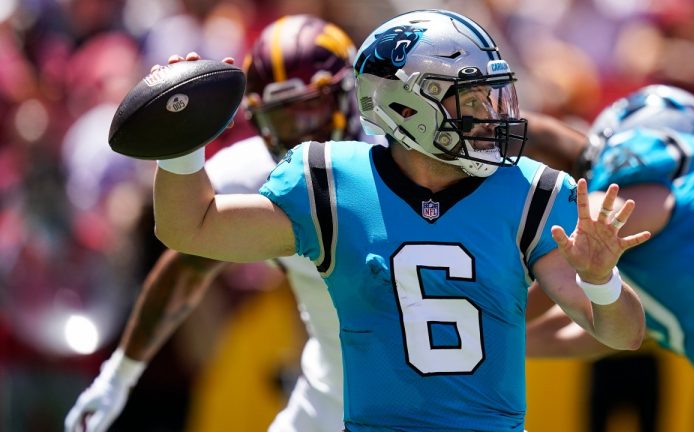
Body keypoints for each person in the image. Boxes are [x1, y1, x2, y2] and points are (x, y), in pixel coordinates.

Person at [148, 9, 649, 431]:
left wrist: (602, 281)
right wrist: (181, 144)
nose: (489, 114)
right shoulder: (334, 182)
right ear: (405, 107)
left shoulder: (528, 191)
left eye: (489, 96)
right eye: (469, 99)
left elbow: (622, 334)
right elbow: (189, 227)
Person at [65, 14, 370, 432]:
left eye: (312, 107)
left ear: (348, 96)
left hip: (432, 395)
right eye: (284, 116)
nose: (303, 133)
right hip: (329, 392)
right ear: (259, 119)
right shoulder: (256, 171)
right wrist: (181, 145)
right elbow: (187, 261)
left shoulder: (396, 162)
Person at [523, 84, 694, 426]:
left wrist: (490, 314)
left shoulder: (648, 157)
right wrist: (490, 339)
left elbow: (576, 246)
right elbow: (592, 333)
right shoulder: (692, 234)